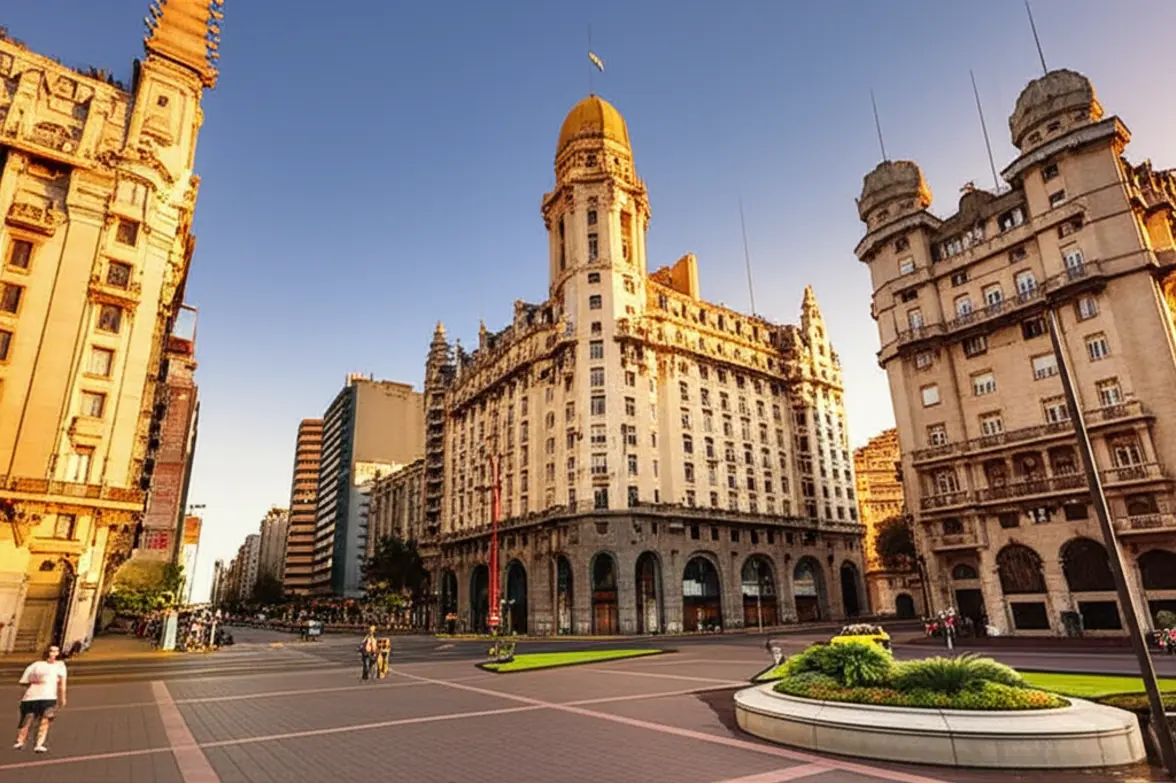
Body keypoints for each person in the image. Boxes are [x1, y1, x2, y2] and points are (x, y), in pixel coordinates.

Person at [14, 645, 67, 753]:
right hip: (32, 696)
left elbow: (63, 684)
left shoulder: (60, 666)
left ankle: (39, 743)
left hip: (49, 696)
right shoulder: (36, 665)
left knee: (45, 720)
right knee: (27, 719)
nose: (53, 653)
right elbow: (24, 680)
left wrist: (63, 698)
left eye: (56, 651)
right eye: (51, 651)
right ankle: (20, 741)